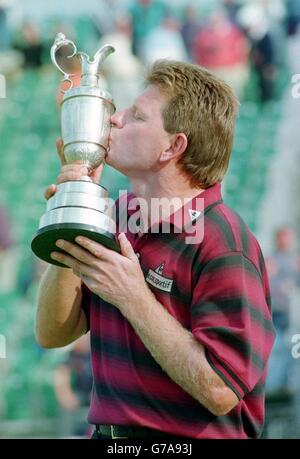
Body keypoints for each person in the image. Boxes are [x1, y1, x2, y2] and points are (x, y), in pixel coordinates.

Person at [36, 60, 275, 439]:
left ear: (173, 146)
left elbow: (221, 389)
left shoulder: (225, 242)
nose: (114, 120)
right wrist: (76, 210)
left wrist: (133, 296)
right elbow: (52, 333)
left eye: (136, 117)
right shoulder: (113, 215)